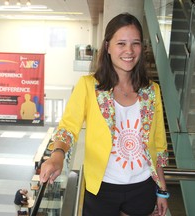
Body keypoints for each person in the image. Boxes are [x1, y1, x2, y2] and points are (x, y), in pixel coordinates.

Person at [40, 12, 169, 216]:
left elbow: (159, 144)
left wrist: (162, 190)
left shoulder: (151, 91)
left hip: (142, 187)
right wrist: (57, 155)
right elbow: (68, 128)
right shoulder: (89, 86)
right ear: (108, 46)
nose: (129, 50)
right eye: (121, 43)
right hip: (101, 188)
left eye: (135, 43)